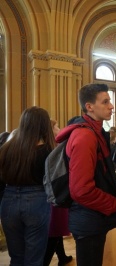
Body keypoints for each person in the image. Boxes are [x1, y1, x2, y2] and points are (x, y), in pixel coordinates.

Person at [55, 83, 116, 266]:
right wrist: (114, 204)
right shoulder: (85, 137)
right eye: (105, 102)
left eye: (109, 101)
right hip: (88, 220)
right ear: (89, 107)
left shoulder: (95, 132)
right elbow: (81, 190)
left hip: (91, 217)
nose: (111, 106)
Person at [0, 106, 56, 265]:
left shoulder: (6, 148)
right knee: (34, 259)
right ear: (44, 125)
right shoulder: (48, 151)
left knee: (16, 257)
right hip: (37, 200)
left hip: (8, 200)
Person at [43, 119, 73, 266]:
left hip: (53, 196)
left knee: (57, 230)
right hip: (55, 196)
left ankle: (62, 257)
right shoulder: (51, 148)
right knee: (54, 232)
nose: (59, 128)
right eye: (55, 126)